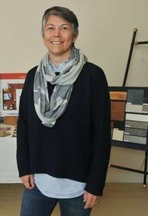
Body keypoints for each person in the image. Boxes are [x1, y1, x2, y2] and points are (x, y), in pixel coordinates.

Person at [16, 6, 111, 216]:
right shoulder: (33, 76)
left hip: (78, 184)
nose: (56, 34)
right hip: (38, 181)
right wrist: (24, 168)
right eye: (50, 28)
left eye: (64, 28)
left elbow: (102, 134)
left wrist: (95, 183)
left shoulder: (93, 76)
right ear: (43, 36)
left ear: (74, 34)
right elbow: (23, 125)